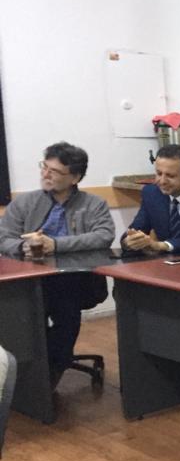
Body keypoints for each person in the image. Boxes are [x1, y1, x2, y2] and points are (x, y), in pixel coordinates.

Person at [0, 142, 114, 379]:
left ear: (75, 177)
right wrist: (23, 247)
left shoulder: (93, 204)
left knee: (66, 312)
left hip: (74, 279)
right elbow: (3, 237)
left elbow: (104, 235)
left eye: (54, 171)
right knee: (23, 319)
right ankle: (35, 372)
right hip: (29, 279)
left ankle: (50, 373)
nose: (46, 174)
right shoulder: (24, 203)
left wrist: (56, 244)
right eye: (44, 167)